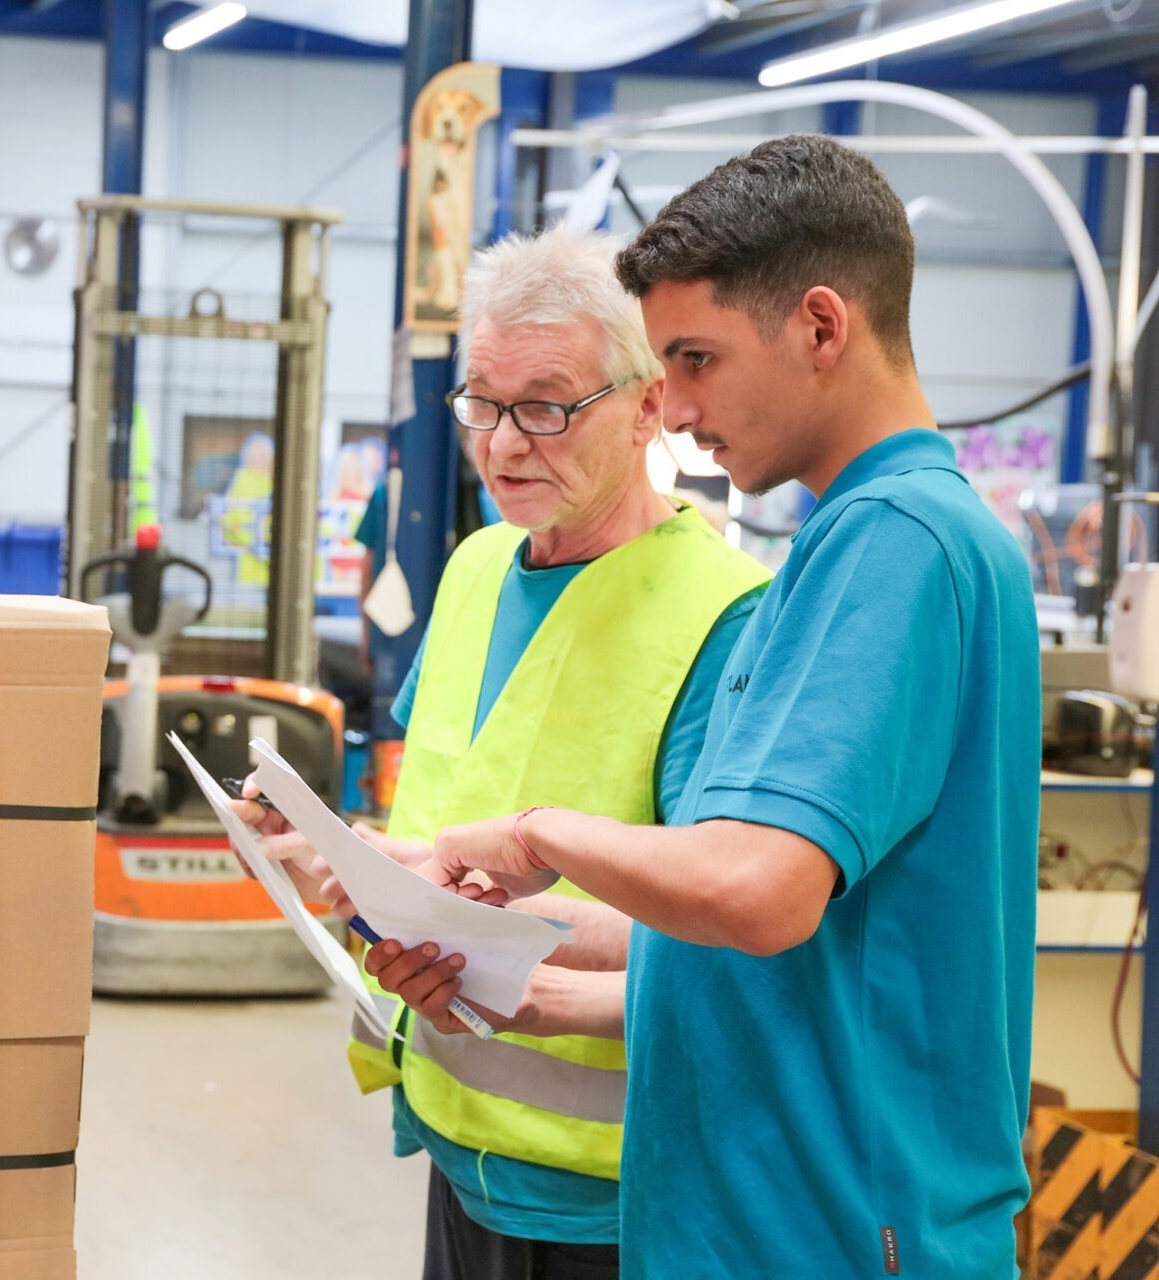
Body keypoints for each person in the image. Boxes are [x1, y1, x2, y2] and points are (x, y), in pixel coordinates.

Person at [373, 136, 1040, 1278]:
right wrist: (530, 976)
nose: (672, 409)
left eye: (694, 358)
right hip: (775, 1200)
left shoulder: (895, 543)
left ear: (822, 327)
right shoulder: (861, 539)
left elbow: (755, 889)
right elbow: (784, 936)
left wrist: (537, 839)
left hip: (826, 1216)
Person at [235, 224, 769, 1280]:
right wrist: (343, 858)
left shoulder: (723, 616)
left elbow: (732, 912)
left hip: (614, 1189)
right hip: (457, 1133)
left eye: (548, 405)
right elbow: (451, 832)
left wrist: (499, 936)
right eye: (484, 402)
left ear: (649, 402)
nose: (506, 442)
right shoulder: (479, 568)